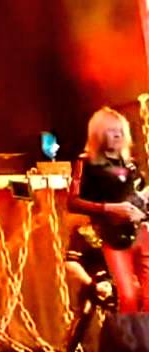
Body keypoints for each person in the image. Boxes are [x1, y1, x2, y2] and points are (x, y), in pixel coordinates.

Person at [68, 106, 149, 313]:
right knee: (128, 296)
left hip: (141, 232)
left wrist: (142, 207)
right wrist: (109, 208)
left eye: (120, 131)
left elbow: (138, 197)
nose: (117, 135)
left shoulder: (130, 164)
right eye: (111, 131)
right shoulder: (86, 163)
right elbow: (73, 202)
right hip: (112, 235)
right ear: (99, 134)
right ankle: (129, 334)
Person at [64, 221, 114, 352]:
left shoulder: (134, 230)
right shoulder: (85, 233)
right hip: (95, 292)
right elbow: (71, 263)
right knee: (84, 330)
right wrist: (93, 285)